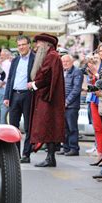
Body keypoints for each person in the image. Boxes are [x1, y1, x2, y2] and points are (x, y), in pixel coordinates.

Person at [27, 33, 65, 167]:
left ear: (45, 44)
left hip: (48, 97)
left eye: (38, 43)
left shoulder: (51, 56)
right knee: (49, 127)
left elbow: (45, 75)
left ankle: (50, 158)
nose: (36, 46)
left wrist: (34, 84)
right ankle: (50, 157)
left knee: (48, 126)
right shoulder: (53, 55)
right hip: (49, 96)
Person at [4, 36, 35, 163]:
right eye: (19, 45)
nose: (21, 47)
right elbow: (10, 79)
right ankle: (15, 154)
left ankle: (26, 154)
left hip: (28, 95)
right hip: (14, 95)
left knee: (28, 126)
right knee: (13, 127)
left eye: (23, 44)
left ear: (29, 45)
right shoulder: (15, 60)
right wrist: (7, 96)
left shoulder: (35, 59)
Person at [57, 54, 83, 156]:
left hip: (71, 105)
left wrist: (67, 101)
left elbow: (76, 89)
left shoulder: (77, 72)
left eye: (67, 61)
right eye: (63, 62)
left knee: (72, 127)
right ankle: (66, 147)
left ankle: (74, 148)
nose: (65, 63)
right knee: (64, 128)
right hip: (62, 104)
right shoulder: (62, 72)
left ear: (72, 62)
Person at [0, 49, 12, 124]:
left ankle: (2, 125)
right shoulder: (3, 63)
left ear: (7, 55)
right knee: (2, 107)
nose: (1, 56)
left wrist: (0, 84)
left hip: (3, 88)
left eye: (2, 54)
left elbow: (7, 77)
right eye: (0, 54)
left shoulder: (7, 63)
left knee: (3, 108)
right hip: (2, 87)